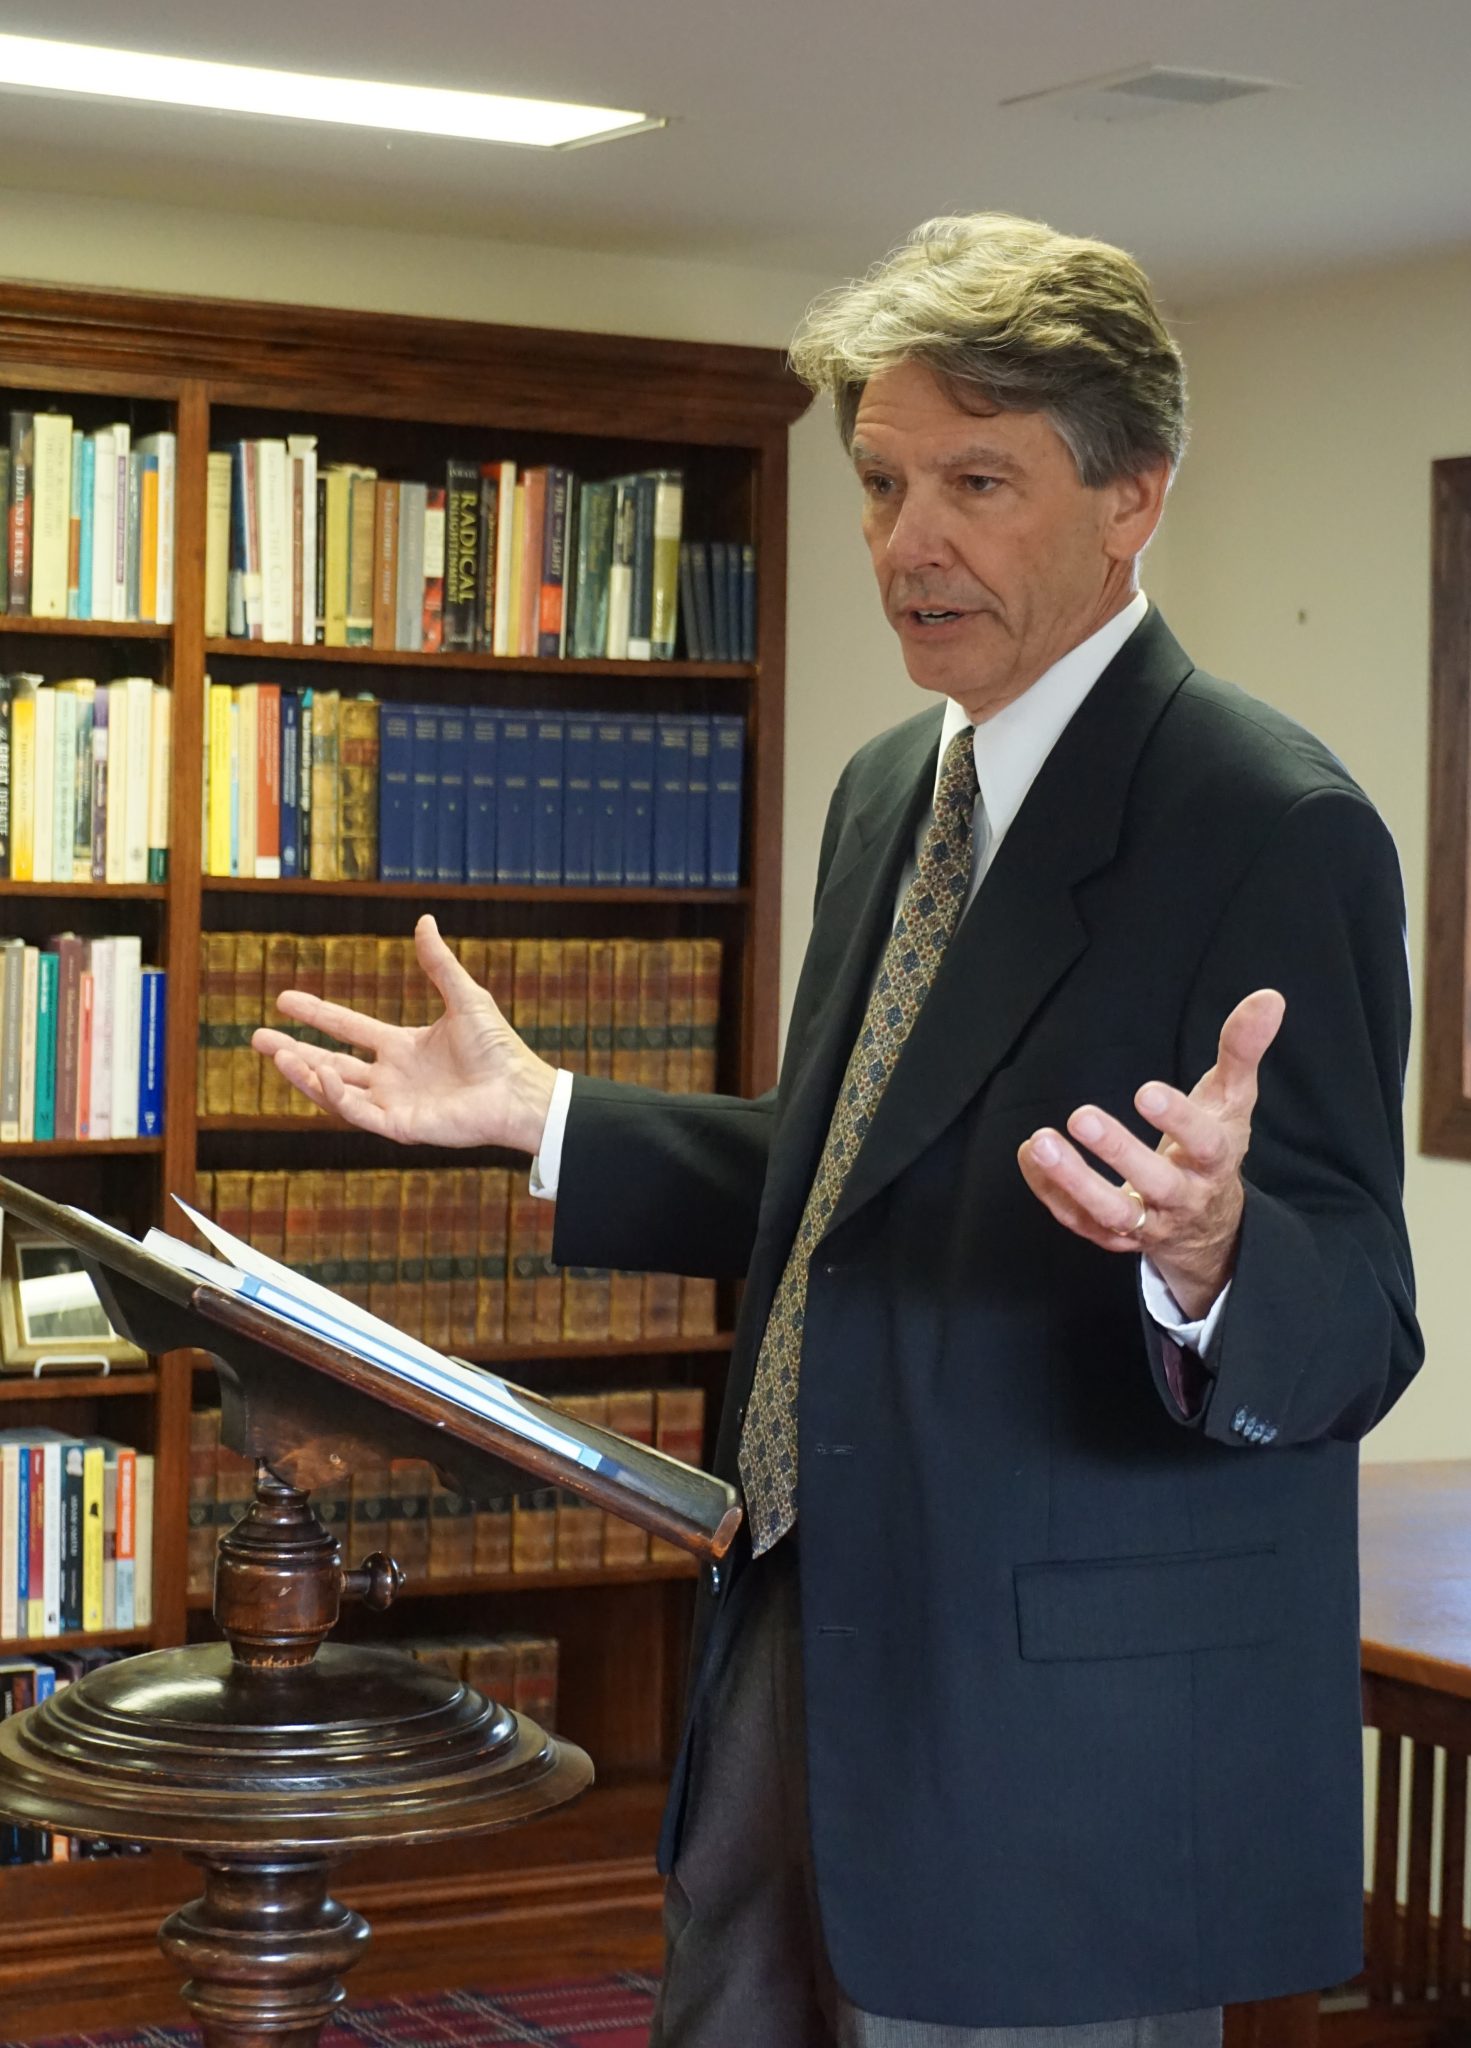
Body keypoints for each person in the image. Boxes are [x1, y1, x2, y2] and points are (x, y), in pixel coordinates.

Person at [255, 213, 1422, 2048]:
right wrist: (545, 1114)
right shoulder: (893, 788)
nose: (906, 543)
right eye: (881, 483)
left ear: (1133, 496)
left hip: (1052, 1755)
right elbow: (858, 1179)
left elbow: (1359, 1312)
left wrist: (1213, 1252)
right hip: (792, 1620)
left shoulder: (1270, 823)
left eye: (977, 482)